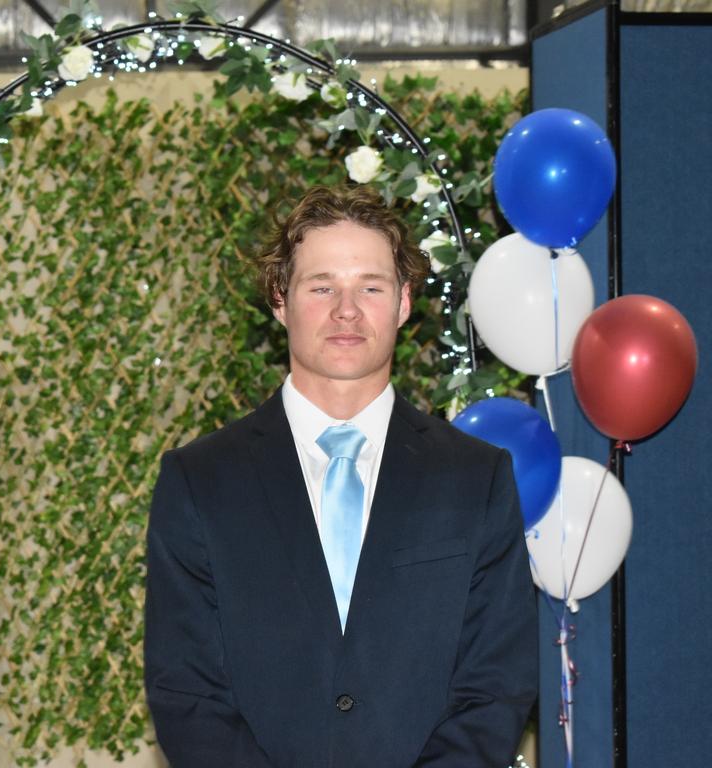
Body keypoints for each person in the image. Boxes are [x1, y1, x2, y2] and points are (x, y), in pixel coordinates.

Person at [144, 185, 538, 767]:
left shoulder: (476, 478)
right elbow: (187, 692)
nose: (346, 310)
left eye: (370, 287)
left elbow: (495, 687)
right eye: (322, 285)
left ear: (404, 302)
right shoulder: (200, 481)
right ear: (280, 298)